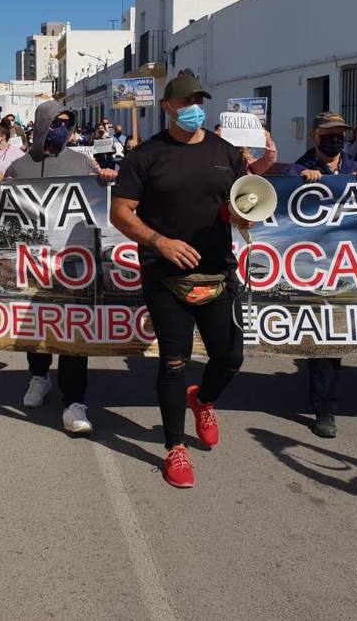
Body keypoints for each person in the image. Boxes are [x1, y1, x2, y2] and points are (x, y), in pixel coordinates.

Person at [110, 70, 250, 488]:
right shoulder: (145, 156)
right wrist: (160, 242)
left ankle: (202, 400)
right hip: (165, 275)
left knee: (230, 357)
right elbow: (121, 213)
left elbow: (233, 207)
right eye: (186, 103)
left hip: (218, 271)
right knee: (174, 363)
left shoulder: (227, 153)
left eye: (199, 102)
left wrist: (240, 216)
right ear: (167, 108)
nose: (194, 109)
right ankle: (175, 449)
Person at [1, 100, 117, 435]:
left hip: (74, 264)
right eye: (56, 121)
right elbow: (0, 211)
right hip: (34, 265)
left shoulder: (82, 162)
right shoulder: (19, 167)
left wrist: (105, 179)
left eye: (67, 121)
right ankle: (39, 377)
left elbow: (102, 202)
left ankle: (74, 403)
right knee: (36, 329)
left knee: (73, 333)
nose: (62, 127)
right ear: (41, 125)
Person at [285, 112, 357, 440]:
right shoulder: (298, 170)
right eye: (329, 133)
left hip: (351, 267)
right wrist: (300, 182)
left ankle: (324, 395)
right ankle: (325, 407)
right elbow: (283, 203)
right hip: (315, 268)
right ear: (315, 136)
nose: (335, 139)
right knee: (324, 338)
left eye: (340, 134)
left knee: (336, 339)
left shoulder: (356, 168)